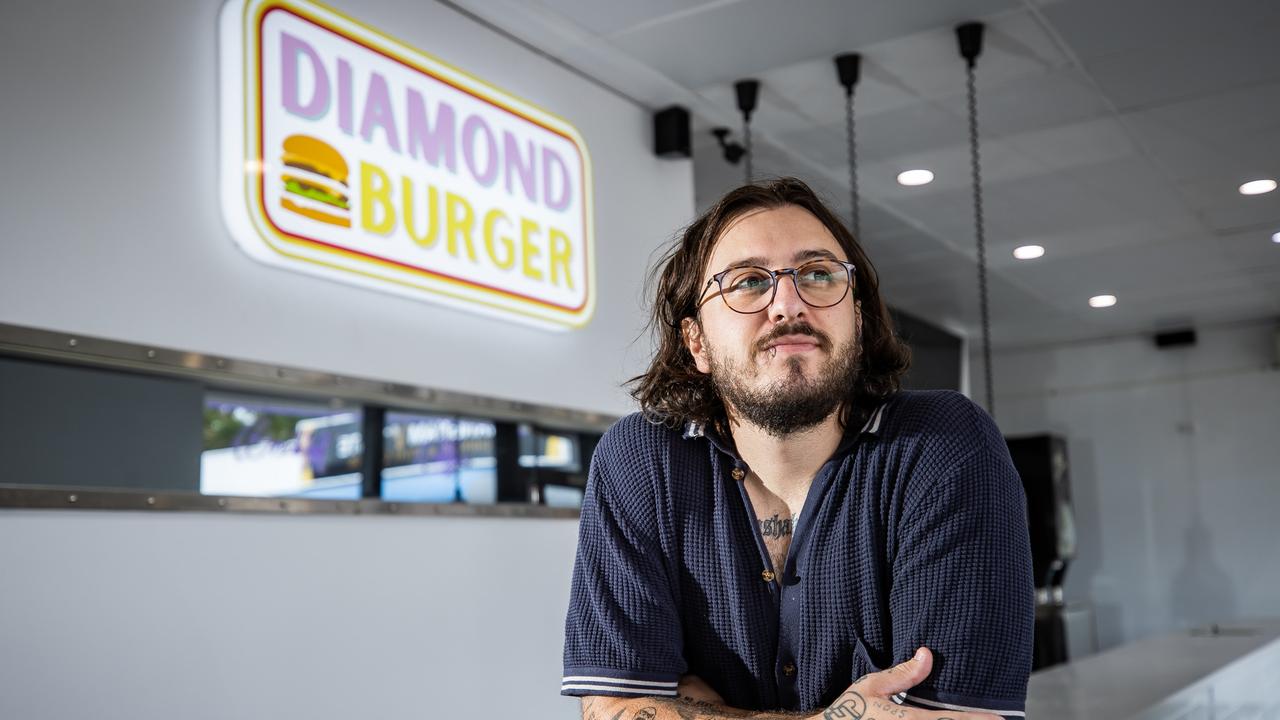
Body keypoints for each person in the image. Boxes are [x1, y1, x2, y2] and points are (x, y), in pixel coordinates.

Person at [561, 178, 1033, 720]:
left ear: (856, 316)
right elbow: (616, 709)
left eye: (818, 274)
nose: (789, 303)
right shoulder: (641, 461)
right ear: (697, 342)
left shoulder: (944, 444)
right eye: (747, 282)